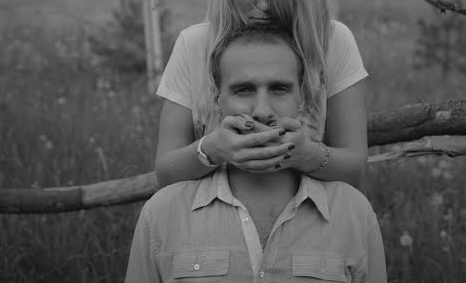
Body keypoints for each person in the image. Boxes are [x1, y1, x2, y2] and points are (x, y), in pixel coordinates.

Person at [126, 26, 386, 282]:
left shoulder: (353, 214)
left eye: (279, 89)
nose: (262, 111)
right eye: (244, 90)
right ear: (218, 100)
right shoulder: (162, 215)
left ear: (303, 99)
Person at [155, 0, 368, 189]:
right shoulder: (194, 45)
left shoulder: (332, 41)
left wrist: (307, 155)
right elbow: (165, 172)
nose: (264, 3)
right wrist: (212, 149)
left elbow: (354, 168)